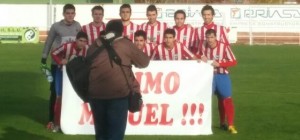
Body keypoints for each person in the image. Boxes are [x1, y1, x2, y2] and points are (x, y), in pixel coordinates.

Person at [87, 20, 150, 140]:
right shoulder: (125, 44)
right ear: (122, 31)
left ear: (106, 30)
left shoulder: (95, 44)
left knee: (101, 133)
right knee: (116, 134)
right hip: (118, 94)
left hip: (95, 94)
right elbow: (144, 62)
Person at [40, 3, 81, 132]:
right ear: (63, 14)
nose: (70, 15)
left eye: (72, 13)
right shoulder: (56, 26)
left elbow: (80, 44)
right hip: (56, 65)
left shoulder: (77, 26)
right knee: (54, 92)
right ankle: (52, 120)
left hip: (73, 66)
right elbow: (49, 42)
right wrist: (43, 57)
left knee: (73, 91)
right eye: (67, 13)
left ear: (75, 14)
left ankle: (69, 118)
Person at [199, 29, 238, 134]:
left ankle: (230, 125)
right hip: (208, 76)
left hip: (222, 76)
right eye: (208, 37)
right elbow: (197, 55)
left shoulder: (224, 46)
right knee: (205, 99)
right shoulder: (202, 45)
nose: (210, 40)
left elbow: (234, 61)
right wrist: (200, 56)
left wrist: (220, 64)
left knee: (226, 99)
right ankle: (202, 123)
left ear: (215, 37)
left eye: (212, 37)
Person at [50, 31, 89, 132]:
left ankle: (76, 122)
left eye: (85, 41)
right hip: (62, 74)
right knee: (59, 97)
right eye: (80, 41)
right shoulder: (67, 46)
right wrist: (60, 61)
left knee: (77, 96)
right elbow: (54, 53)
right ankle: (57, 124)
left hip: (77, 76)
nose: (82, 43)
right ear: (76, 40)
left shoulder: (87, 49)